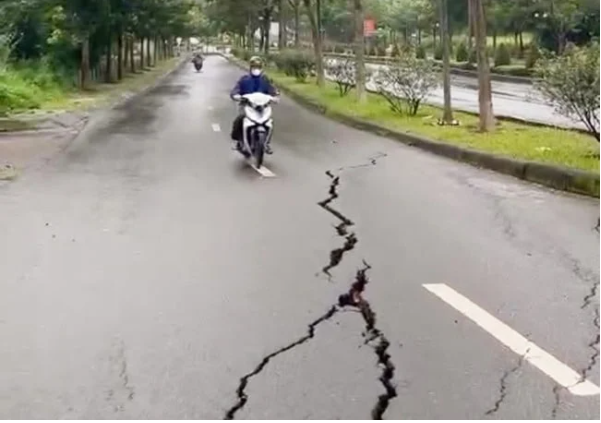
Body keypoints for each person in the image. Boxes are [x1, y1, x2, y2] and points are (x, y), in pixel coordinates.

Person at [230, 56, 278, 154]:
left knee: (270, 123)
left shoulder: (265, 80)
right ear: (250, 67)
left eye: (258, 67)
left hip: (262, 108)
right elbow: (236, 90)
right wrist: (236, 95)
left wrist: (275, 96)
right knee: (239, 120)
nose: (256, 69)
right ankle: (238, 141)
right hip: (247, 106)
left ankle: (267, 143)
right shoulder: (244, 79)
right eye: (254, 67)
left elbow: (273, 90)